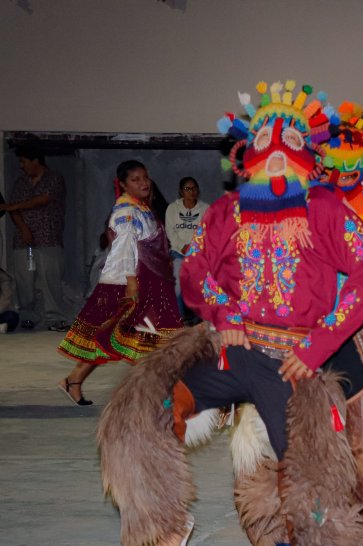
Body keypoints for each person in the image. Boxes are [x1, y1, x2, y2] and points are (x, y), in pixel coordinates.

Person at [98, 81, 363, 546]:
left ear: (307, 153)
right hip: (229, 348)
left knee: (311, 481)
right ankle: (167, 524)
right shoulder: (228, 210)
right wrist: (221, 308)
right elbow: (194, 272)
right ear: (244, 155)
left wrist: (317, 346)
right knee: (141, 409)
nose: (276, 145)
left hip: (291, 362)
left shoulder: (324, 207)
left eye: (290, 139)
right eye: (263, 138)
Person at [57, 160, 183, 405]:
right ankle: (156, 393)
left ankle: (73, 380)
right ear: (123, 184)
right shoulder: (127, 211)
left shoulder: (141, 207)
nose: (143, 183)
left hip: (144, 281)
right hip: (126, 283)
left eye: (145, 177)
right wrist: (132, 284)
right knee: (136, 338)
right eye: (135, 179)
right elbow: (125, 250)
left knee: (121, 337)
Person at [2, 143, 69, 331]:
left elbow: (43, 199)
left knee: (50, 280)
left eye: (24, 161)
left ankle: (54, 318)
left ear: (35, 161)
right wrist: (24, 229)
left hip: (49, 239)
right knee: (24, 280)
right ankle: (28, 316)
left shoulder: (54, 178)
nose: (21, 165)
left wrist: (11, 206)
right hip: (24, 241)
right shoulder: (20, 182)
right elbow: (15, 210)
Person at [164, 177, 209, 310]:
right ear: (181, 192)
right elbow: (170, 231)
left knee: (202, 286)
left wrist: (195, 247)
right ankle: (181, 319)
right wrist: (182, 247)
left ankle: (200, 319)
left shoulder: (206, 208)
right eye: (187, 189)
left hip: (199, 253)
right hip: (178, 253)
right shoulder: (172, 208)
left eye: (194, 188)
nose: (191, 191)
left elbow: (209, 231)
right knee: (177, 285)